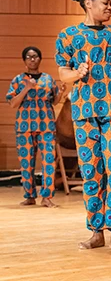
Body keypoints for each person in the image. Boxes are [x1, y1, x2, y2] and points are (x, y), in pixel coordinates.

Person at [55, 0, 111, 258]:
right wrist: (77, 73)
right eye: (106, 2)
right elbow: (62, 74)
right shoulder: (68, 35)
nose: (110, 7)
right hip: (85, 110)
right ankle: (97, 233)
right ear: (88, 3)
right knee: (91, 171)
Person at [6, 46, 65, 207]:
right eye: (29, 57)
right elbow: (13, 103)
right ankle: (29, 195)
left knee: (48, 161)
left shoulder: (48, 79)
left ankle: (47, 197)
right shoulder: (18, 80)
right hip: (24, 126)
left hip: (46, 124)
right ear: (24, 60)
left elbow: (53, 101)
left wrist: (59, 93)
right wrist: (26, 88)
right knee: (26, 162)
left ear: (40, 59)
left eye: (36, 56)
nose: (33, 59)